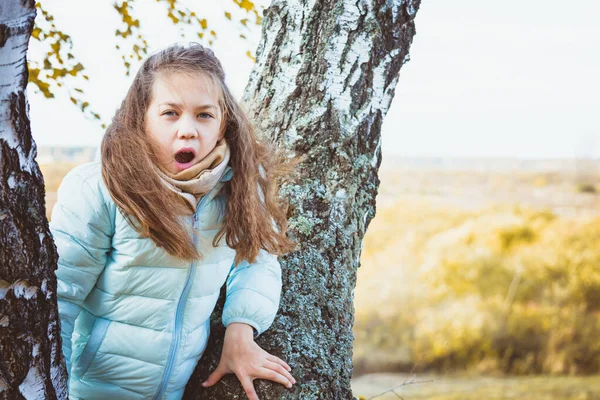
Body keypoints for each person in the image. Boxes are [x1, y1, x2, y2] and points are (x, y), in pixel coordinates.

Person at [50, 42, 297, 400]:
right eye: (170, 113)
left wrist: (241, 331)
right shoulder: (100, 188)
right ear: (142, 118)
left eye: (204, 115)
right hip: (88, 391)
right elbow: (59, 300)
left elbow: (257, 259)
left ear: (223, 122)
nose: (187, 130)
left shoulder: (239, 186)